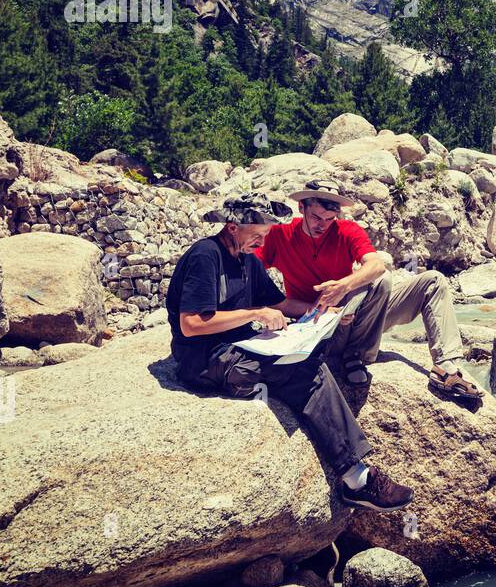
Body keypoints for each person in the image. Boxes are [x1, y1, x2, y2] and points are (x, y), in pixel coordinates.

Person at [166, 192, 413, 511]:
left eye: (265, 234)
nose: (261, 241)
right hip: (205, 359)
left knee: (308, 359)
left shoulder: (247, 260)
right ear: (232, 227)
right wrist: (254, 315)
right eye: (256, 234)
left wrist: (320, 310)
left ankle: (357, 475)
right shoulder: (206, 255)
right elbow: (192, 324)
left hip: (239, 347)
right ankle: (357, 479)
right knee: (305, 370)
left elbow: (280, 303)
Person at [255, 180, 484, 400]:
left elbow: (376, 265)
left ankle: (445, 368)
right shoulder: (280, 235)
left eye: (329, 218)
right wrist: (318, 310)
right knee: (378, 281)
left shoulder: (346, 230)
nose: (322, 225)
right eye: (315, 217)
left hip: (359, 319)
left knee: (430, 281)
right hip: (318, 328)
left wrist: (343, 286)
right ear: (301, 208)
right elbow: (250, 281)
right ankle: (354, 356)